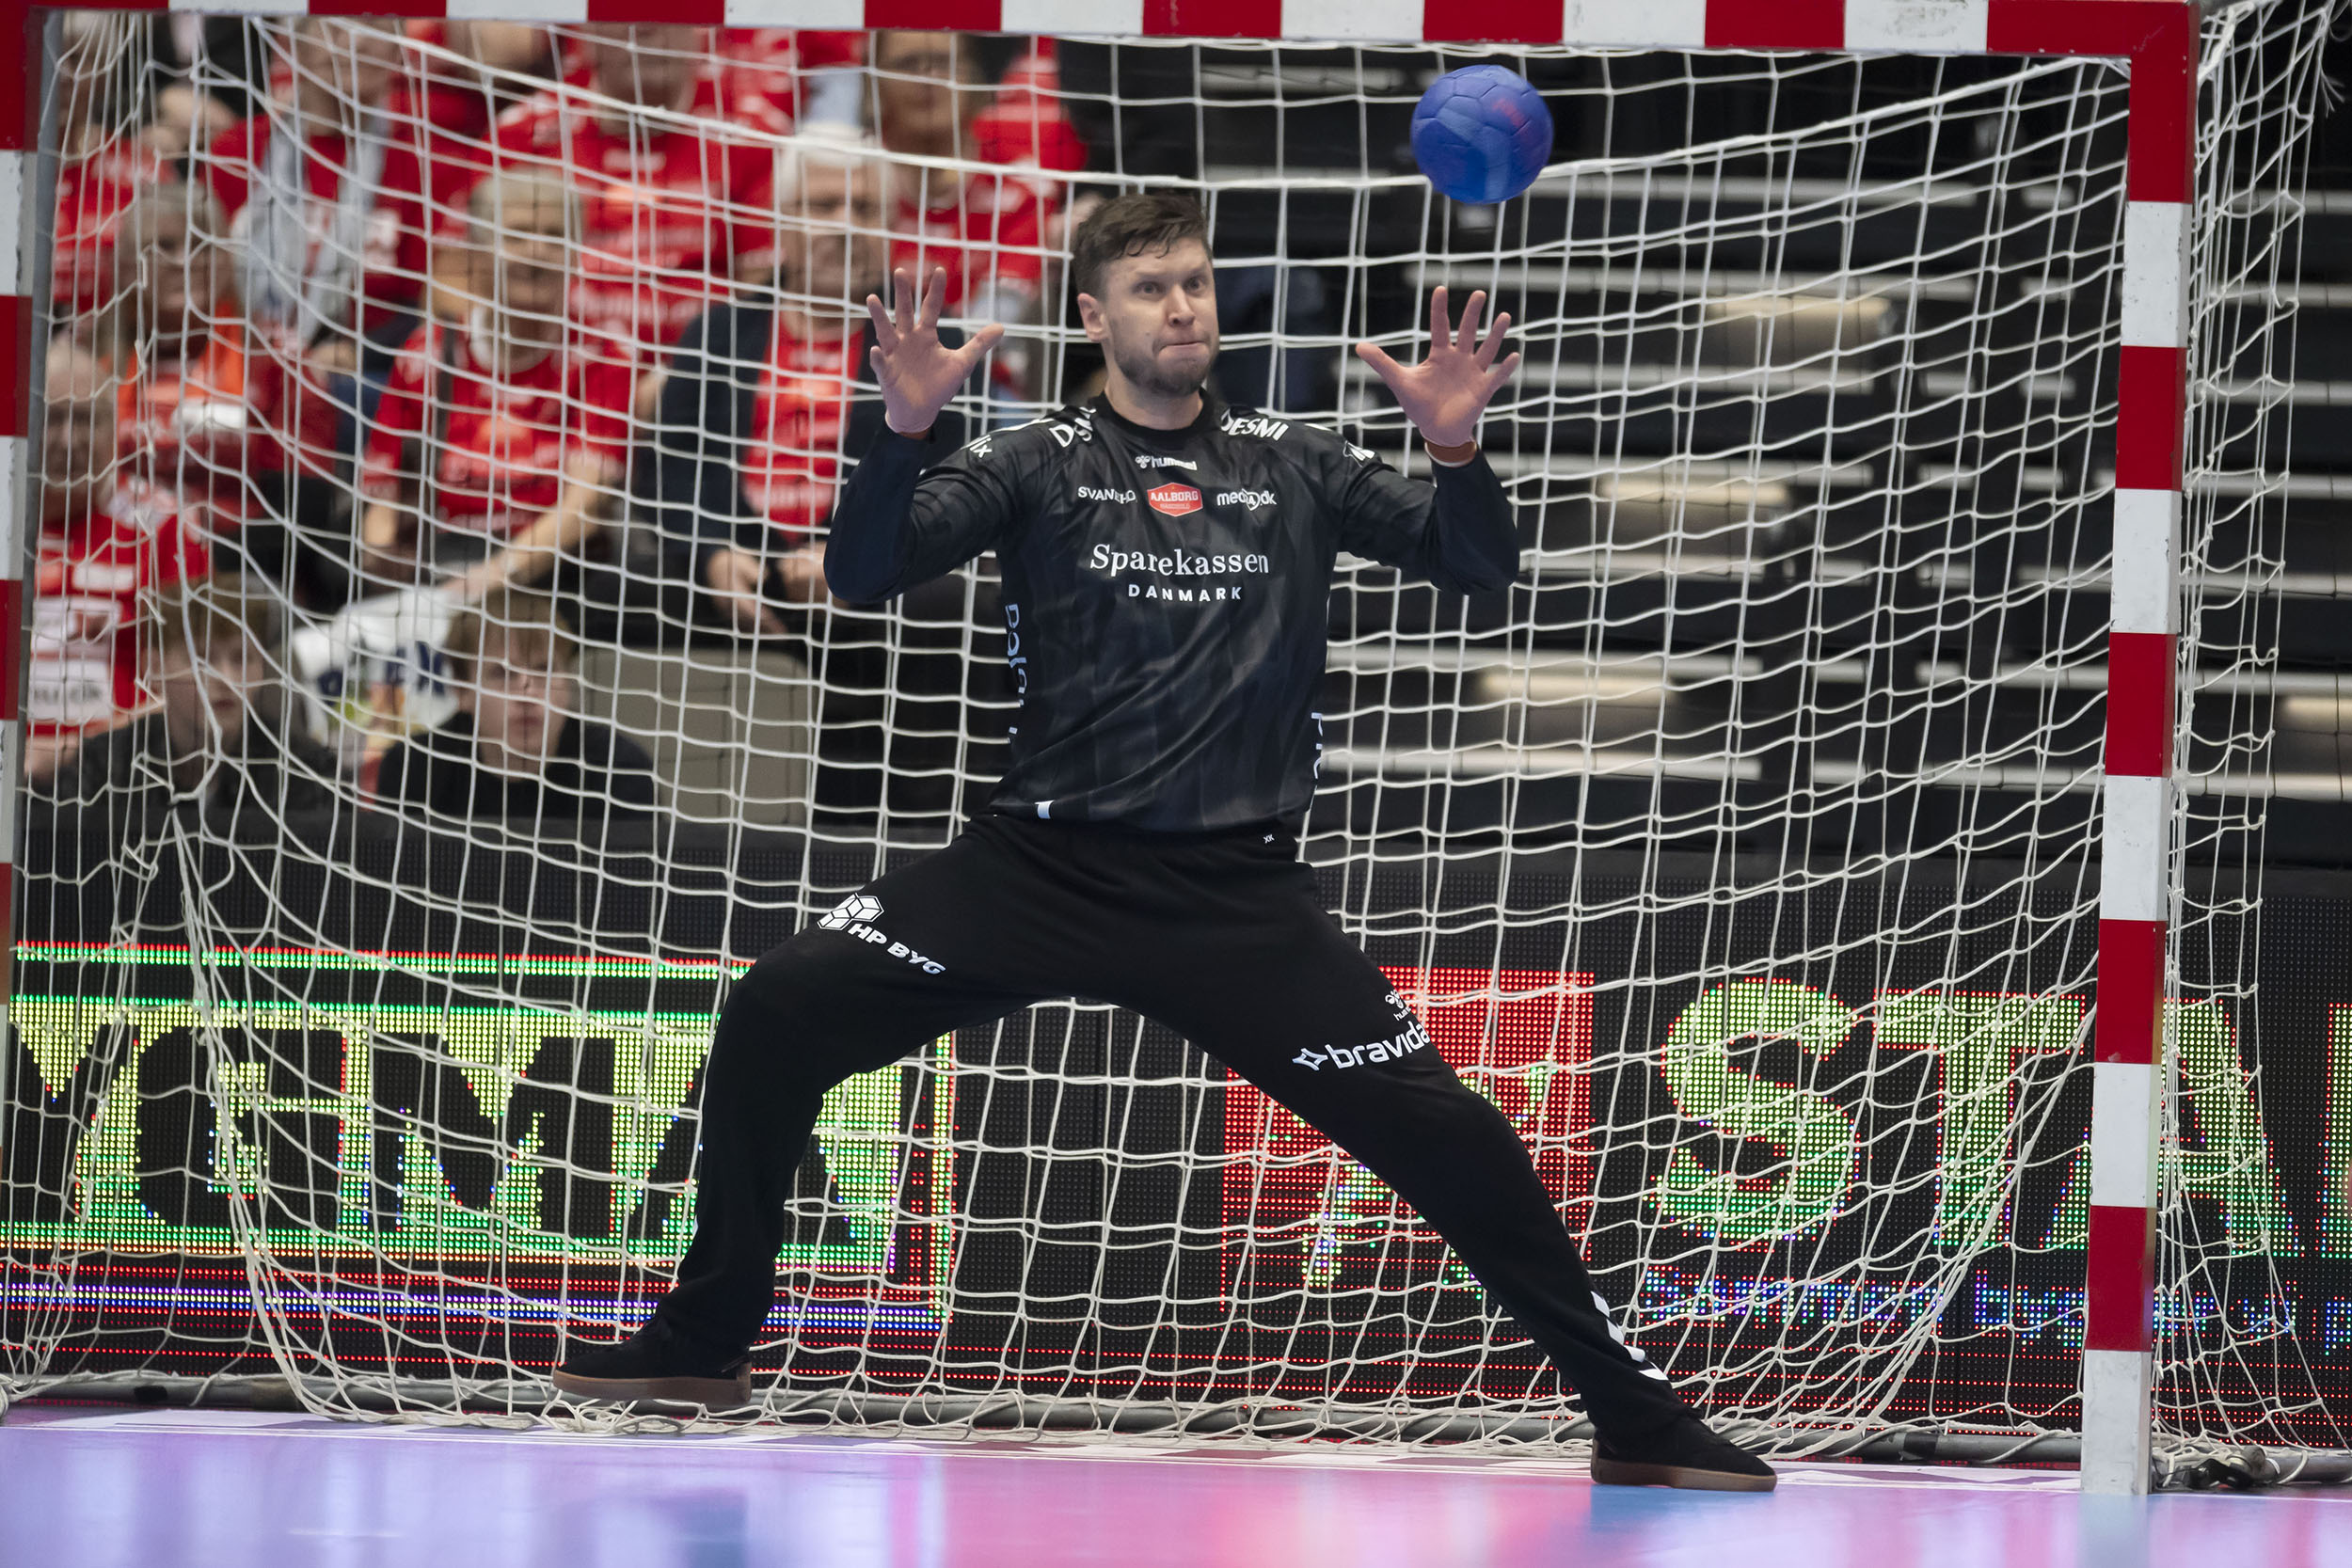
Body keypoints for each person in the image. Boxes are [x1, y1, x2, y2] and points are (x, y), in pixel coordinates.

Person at [552, 194, 1777, 1494]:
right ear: (1094, 316)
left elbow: (1475, 570)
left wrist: (1456, 449)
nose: (1182, 305)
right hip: (1035, 870)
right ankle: (705, 1337)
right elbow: (862, 575)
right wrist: (901, 432)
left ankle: (1633, 1415)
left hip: (1232, 895)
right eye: (1149, 287)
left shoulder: (1292, 458)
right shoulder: (1033, 459)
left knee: (1454, 1138)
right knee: (774, 1008)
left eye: (1193, 281)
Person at [357, 174, 635, 601]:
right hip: (438, 561)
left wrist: (488, 580)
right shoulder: (427, 351)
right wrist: (386, 572)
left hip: (549, 572)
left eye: (554, 237)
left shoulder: (603, 355)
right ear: (480, 250)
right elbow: (384, 496)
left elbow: (585, 506)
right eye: (517, 235)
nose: (537, 252)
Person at [487, 24, 789, 356]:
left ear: (699, 34)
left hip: (702, 364)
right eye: (626, 13)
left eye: (666, 13)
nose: (647, 30)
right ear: (584, 37)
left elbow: (760, 293)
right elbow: (469, 274)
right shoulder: (524, 135)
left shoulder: (751, 137)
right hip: (565, 366)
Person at [31, 338, 212, 790]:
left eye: (86, 420)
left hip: (120, 782)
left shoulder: (164, 526)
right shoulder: (7, 526)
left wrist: (83, 753)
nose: (69, 441)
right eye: (53, 418)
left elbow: (193, 685)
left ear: (115, 425)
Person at [45, 575, 341, 837]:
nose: (226, 679)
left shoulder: (305, 770)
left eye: (242, 659)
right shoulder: (107, 766)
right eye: (202, 659)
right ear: (154, 668)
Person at [370, 585, 655, 841]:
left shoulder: (619, 769)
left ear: (568, 681)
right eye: (502, 673)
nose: (527, 693)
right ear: (462, 690)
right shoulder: (412, 770)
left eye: (544, 669)